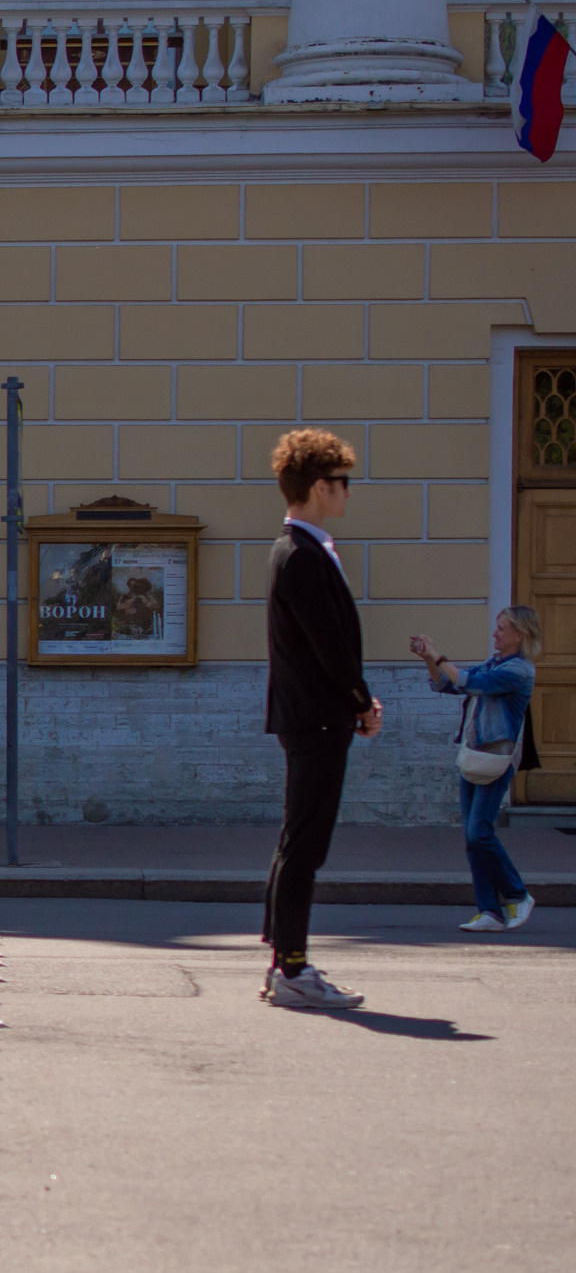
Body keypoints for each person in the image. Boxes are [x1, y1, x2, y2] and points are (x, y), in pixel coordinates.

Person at [262, 428, 380, 1009]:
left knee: (297, 842)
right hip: (318, 718)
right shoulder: (302, 556)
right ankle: (292, 970)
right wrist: (361, 701)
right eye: (342, 482)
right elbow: (329, 646)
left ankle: (283, 962)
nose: (347, 492)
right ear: (316, 487)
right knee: (307, 846)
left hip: (311, 716)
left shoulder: (300, 549)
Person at [412, 608, 541, 933]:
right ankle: (490, 912)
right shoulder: (496, 662)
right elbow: (449, 687)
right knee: (473, 837)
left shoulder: (519, 670)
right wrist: (430, 659)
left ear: (519, 635)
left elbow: (473, 683)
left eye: (501, 629)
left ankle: (518, 895)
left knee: (479, 832)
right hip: (474, 755)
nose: (494, 634)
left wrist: (440, 656)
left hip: (497, 759)